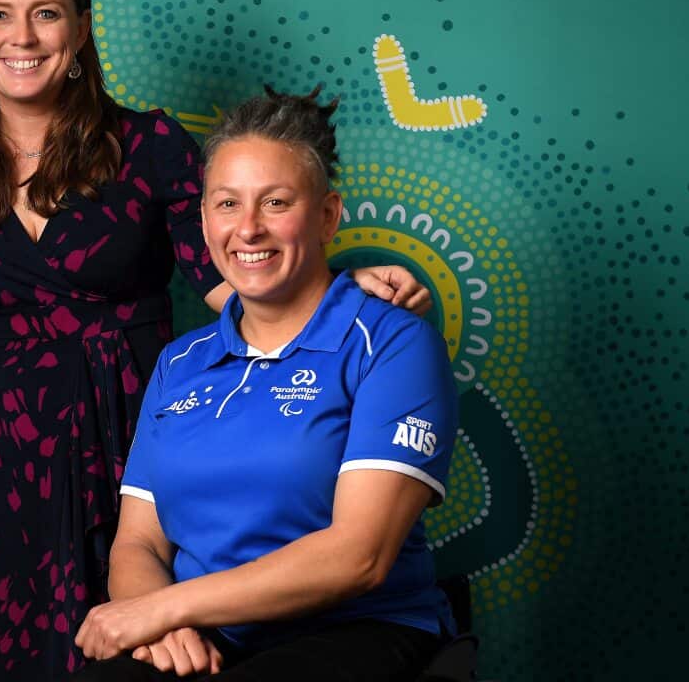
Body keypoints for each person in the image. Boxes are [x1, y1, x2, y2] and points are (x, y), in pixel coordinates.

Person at [0, 0, 433, 680]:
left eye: (45, 13)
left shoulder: (148, 145)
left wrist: (343, 297)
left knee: (136, 647)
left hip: (129, 439)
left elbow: (241, 277)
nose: (22, 36)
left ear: (80, 28)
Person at [72, 87, 458, 681]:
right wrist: (168, 628)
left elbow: (359, 557)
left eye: (275, 203)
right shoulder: (180, 363)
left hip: (355, 630)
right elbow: (139, 545)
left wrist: (160, 609)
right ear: (203, 221)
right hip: (203, 633)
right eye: (227, 204)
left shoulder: (394, 343)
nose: (247, 229)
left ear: (327, 214)